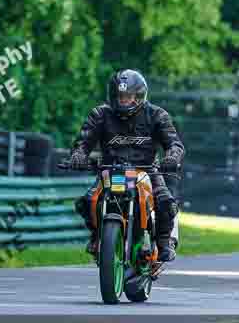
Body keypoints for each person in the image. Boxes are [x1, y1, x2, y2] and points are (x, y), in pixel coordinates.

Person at [68, 69, 185, 262]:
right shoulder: (99, 114)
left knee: (165, 202)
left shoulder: (157, 115)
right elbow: (83, 142)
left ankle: (164, 241)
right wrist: (78, 155)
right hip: (110, 170)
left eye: (128, 96)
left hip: (147, 171)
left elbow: (174, 144)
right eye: (120, 96)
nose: (123, 100)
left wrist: (172, 157)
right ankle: (98, 236)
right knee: (88, 201)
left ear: (139, 95)